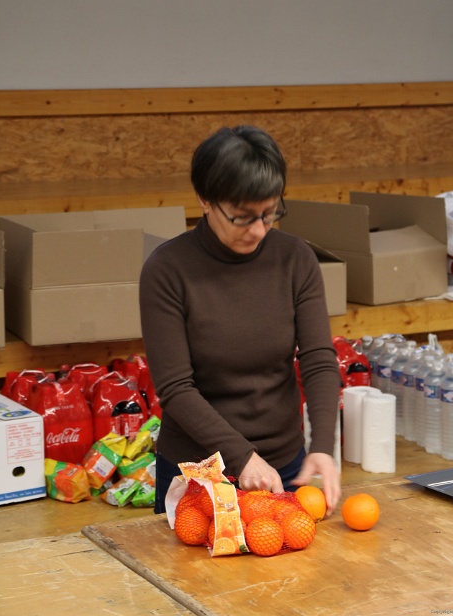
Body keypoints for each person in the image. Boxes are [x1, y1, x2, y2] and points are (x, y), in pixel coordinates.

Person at [139, 124, 341, 516]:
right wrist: (241, 457)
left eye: (269, 213)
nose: (259, 230)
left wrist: (322, 447)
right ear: (205, 200)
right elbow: (176, 387)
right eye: (242, 217)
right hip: (198, 475)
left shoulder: (295, 259)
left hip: (285, 464)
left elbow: (318, 359)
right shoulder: (168, 270)